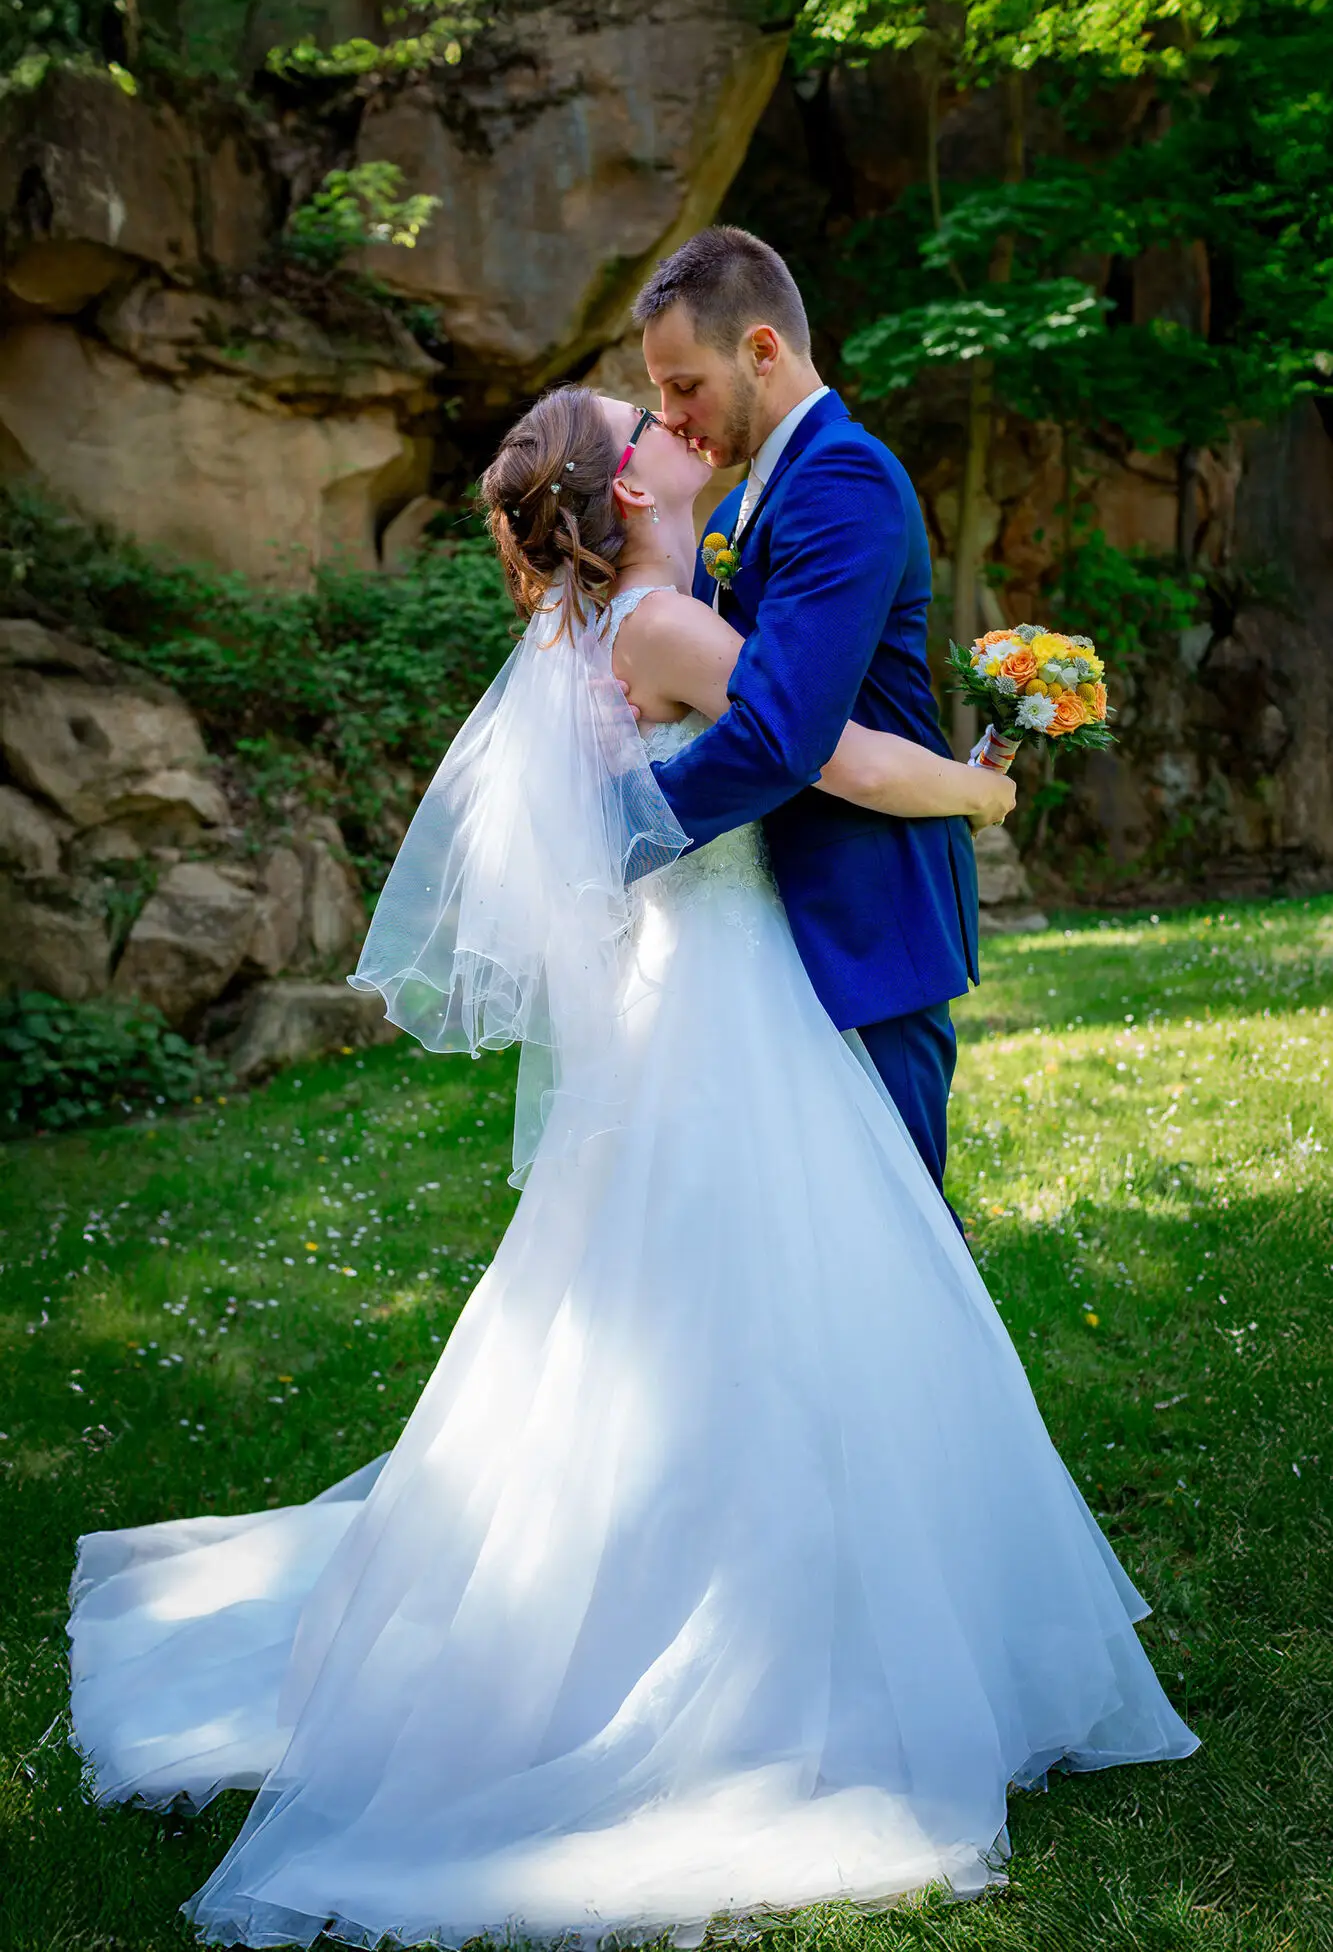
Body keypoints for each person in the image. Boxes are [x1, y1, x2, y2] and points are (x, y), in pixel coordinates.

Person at [65, 383, 1197, 1952]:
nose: (676, 427)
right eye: (643, 423)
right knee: (781, 1303)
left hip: (689, 997)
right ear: (625, 488)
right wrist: (984, 786)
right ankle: (769, 1663)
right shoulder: (659, 629)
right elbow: (842, 761)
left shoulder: (592, 635)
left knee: (676, 1310)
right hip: (725, 1011)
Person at [635, 226, 979, 1203]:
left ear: (761, 349)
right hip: (765, 919)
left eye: (683, 384)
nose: (670, 416)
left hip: (863, 912)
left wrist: (622, 821)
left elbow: (785, 729)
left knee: (898, 1231)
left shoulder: (842, 478)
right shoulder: (732, 511)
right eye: (658, 390)